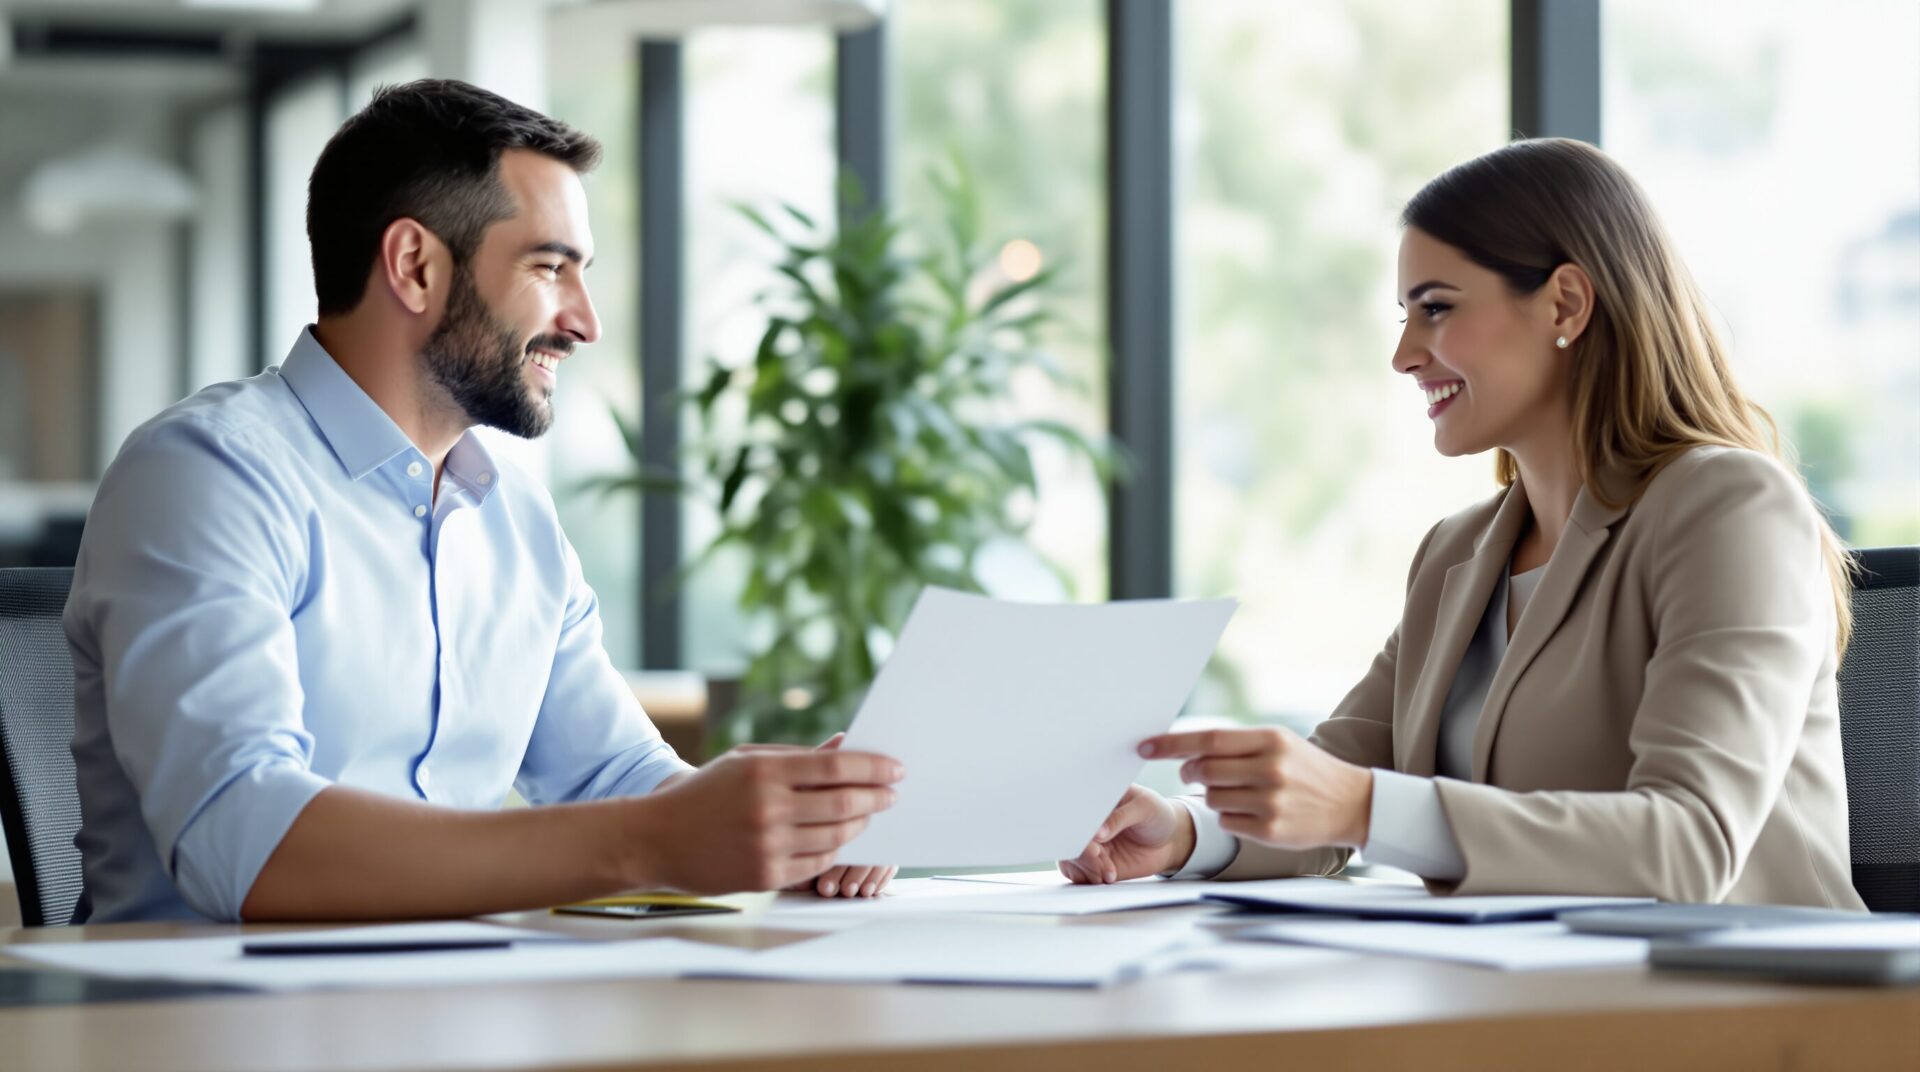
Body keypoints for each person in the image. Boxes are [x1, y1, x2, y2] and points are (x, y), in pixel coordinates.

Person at [65, 80, 900, 923]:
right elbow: (246, 842)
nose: (585, 322)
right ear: (415, 266)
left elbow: (616, 781)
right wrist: (656, 836)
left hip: (468, 1004)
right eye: (549, 268)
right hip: (208, 1027)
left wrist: (793, 821)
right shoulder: (205, 474)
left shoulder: (516, 517)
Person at [1062, 138, 1865, 910]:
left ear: (1567, 303)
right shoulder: (1457, 553)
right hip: (1534, 997)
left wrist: (1365, 808)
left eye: (1436, 309)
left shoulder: (1728, 508)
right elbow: (1338, 778)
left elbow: (1689, 846)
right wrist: (1181, 834)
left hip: (1750, 1014)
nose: (1405, 354)